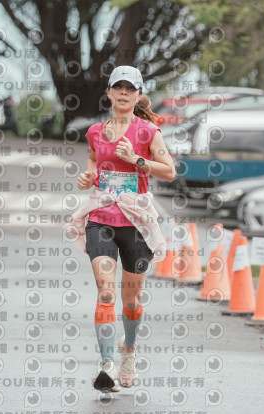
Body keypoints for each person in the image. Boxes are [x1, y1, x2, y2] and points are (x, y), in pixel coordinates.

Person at [65, 65, 176, 392]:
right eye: (119, 87)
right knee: (105, 292)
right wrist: (88, 176)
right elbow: (93, 161)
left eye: (130, 88)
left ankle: (128, 350)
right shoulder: (95, 132)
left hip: (136, 223)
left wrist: (137, 160)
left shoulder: (149, 132)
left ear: (139, 95)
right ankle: (107, 365)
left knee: (131, 299)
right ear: (110, 93)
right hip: (101, 218)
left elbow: (169, 171)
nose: (124, 93)